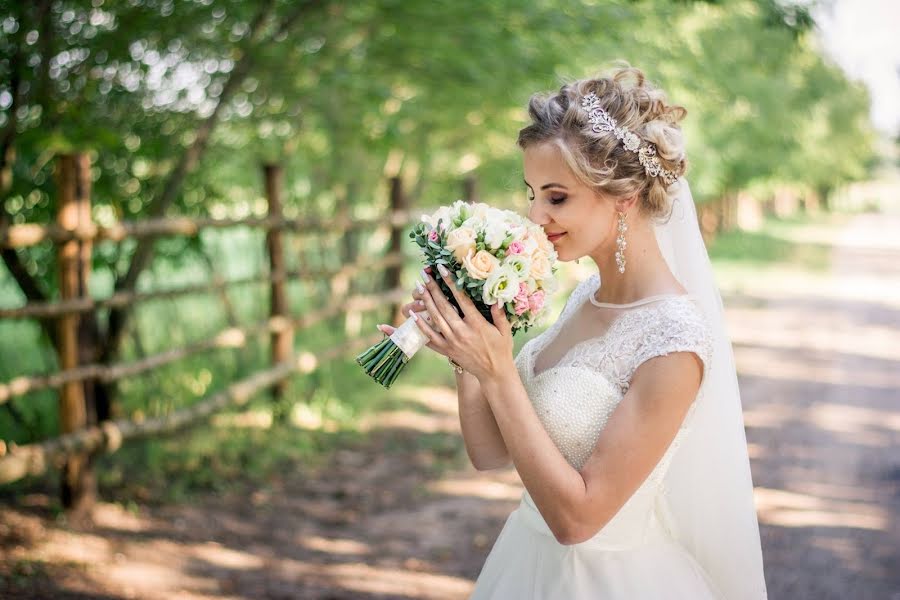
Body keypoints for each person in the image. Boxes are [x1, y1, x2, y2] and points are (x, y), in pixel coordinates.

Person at [378, 64, 767, 599]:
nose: (535, 214)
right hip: (526, 566)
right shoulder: (586, 296)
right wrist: (467, 349)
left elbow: (578, 521)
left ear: (624, 197)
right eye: (531, 192)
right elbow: (490, 454)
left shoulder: (674, 342)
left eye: (556, 197)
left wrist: (498, 371)